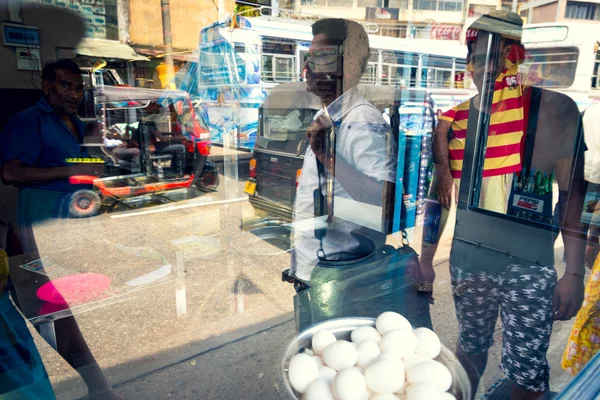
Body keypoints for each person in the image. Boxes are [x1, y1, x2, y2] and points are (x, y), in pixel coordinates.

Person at [424, 11, 586, 399]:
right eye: (479, 58)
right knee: (470, 349)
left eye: (502, 58)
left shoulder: (554, 111)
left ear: (519, 60)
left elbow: (573, 196)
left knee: (527, 371)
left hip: (529, 263)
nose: (490, 68)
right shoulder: (457, 121)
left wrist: (574, 273)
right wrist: (426, 259)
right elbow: (439, 196)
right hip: (470, 256)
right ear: (469, 65)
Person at [0, 59, 121, 400]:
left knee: (67, 305)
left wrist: (103, 155)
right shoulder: (27, 121)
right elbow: (12, 173)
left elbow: (80, 165)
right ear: (47, 86)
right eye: (66, 85)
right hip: (38, 223)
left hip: (71, 224)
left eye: (78, 87)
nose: (74, 93)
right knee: (50, 309)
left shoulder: (75, 123)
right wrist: (68, 169)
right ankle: (99, 387)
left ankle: (100, 387)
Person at [290, 18, 395, 283]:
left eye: (321, 57)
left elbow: (379, 201)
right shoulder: (328, 114)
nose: (306, 67)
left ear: (346, 65)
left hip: (341, 273)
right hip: (315, 266)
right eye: (308, 56)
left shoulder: (362, 120)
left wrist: (327, 156)